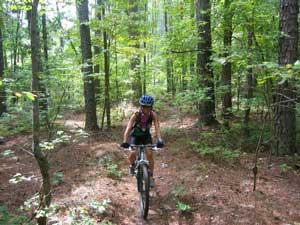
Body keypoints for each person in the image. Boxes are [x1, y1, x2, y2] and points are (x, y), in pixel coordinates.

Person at [121, 95, 164, 187]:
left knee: (150, 154)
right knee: (133, 153)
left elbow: (157, 128)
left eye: (148, 107)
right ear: (141, 106)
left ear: (151, 107)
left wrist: (159, 139)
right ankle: (132, 166)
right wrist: (125, 141)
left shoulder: (153, 115)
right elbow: (128, 128)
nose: (146, 109)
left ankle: (151, 177)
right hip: (135, 136)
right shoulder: (136, 115)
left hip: (146, 136)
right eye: (144, 106)